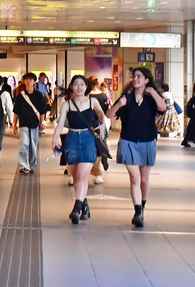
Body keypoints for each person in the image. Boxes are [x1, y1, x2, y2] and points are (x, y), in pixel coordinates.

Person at [106, 67, 166, 228]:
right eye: (134, 76)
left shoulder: (151, 98)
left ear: (146, 80)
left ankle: (142, 206)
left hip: (147, 140)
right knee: (135, 178)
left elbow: (162, 108)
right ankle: (137, 211)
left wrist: (153, 92)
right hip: (128, 140)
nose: (135, 79)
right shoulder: (126, 98)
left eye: (139, 77)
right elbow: (109, 115)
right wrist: (119, 104)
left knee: (144, 180)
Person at [51, 75, 107, 224]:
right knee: (76, 178)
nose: (79, 87)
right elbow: (61, 123)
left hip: (88, 140)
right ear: (71, 86)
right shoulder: (67, 104)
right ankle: (84, 204)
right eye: (76, 84)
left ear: (86, 87)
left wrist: (103, 124)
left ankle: (76, 208)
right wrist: (54, 138)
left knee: (82, 176)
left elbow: (101, 114)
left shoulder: (92, 101)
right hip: (72, 140)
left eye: (82, 84)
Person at [12, 73, 49, 174]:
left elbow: (42, 110)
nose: (28, 81)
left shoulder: (38, 95)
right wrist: (14, 124)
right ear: (24, 81)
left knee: (33, 144)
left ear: (34, 81)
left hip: (34, 123)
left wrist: (42, 122)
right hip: (23, 123)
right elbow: (16, 111)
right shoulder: (21, 95)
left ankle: (32, 164)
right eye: (26, 79)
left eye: (30, 79)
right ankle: (24, 165)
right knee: (24, 143)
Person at [88, 76, 110, 184]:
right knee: (99, 145)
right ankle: (98, 172)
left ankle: (74, 174)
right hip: (98, 123)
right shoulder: (102, 96)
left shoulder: (87, 96)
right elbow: (105, 111)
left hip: (86, 124)